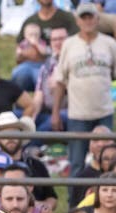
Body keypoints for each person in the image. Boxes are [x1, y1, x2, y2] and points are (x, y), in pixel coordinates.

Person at [52, 3, 116, 179]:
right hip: (78, 114)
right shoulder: (69, 45)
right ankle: (74, 202)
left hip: (104, 112)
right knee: (77, 162)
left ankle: (108, 199)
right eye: (84, 17)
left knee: (108, 160)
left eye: (91, 17)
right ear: (78, 21)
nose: (87, 21)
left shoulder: (110, 44)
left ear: (97, 19)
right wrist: (55, 113)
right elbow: (60, 81)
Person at [0, 111, 58, 210]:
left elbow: (51, 197)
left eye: (14, 133)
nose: (10, 138)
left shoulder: (36, 165)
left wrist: (44, 207)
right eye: (5, 134)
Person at [13, 0, 78, 91]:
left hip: (58, 64)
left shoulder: (66, 18)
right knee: (18, 74)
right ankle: (22, 104)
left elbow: (76, 44)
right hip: (30, 65)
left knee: (45, 79)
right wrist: (24, 54)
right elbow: (18, 55)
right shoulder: (30, 21)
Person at [31, 26, 68, 134]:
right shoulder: (46, 66)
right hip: (47, 111)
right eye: (54, 39)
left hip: (70, 112)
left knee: (40, 131)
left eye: (61, 39)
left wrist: (62, 86)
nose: (57, 43)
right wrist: (31, 118)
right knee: (19, 115)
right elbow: (38, 96)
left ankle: (30, 142)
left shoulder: (72, 62)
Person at [69, 125, 113, 206]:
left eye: (106, 139)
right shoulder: (81, 178)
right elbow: (74, 212)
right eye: (95, 140)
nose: (101, 144)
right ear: (89, 146)